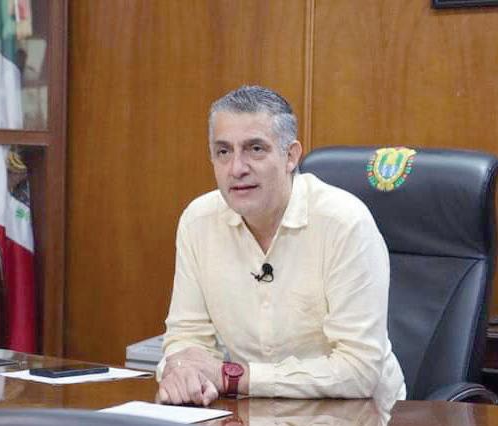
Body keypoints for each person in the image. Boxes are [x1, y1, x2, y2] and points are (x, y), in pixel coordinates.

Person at [156, 85, 405, 406]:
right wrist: (183, 370)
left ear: (290, 156)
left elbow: (359, 371)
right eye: (223, 152)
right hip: (256, 413)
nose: (237, 168)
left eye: (255, 149)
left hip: (363, 416)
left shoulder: (344, 223)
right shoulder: (198, 221)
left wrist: (234, 377)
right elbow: (186, 336)